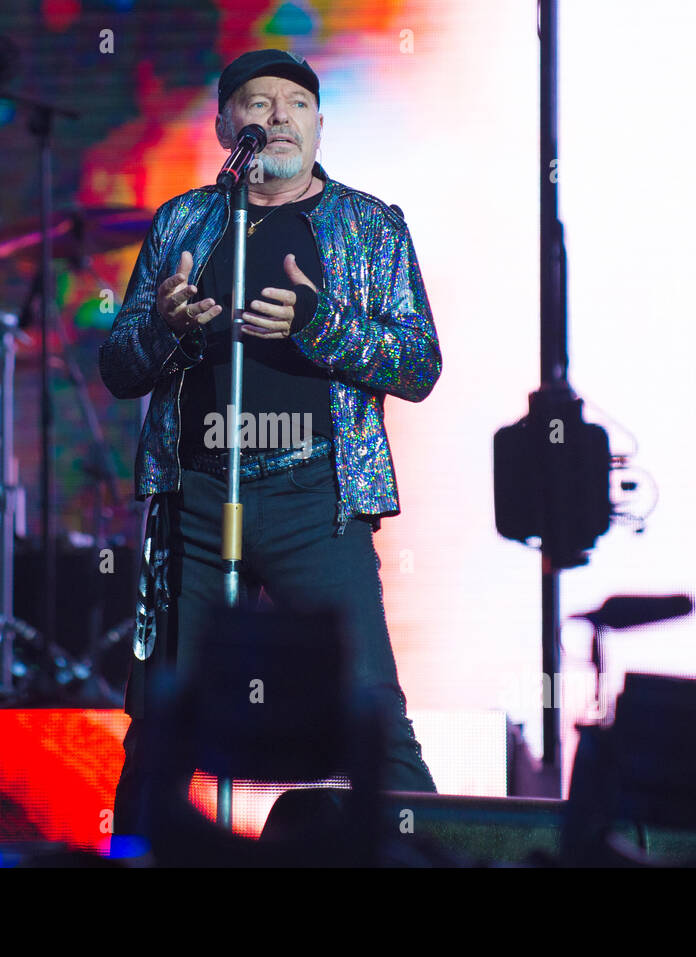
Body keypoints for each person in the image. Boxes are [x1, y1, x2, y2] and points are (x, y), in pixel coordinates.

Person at [99, 50, 443, 834]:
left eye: (296, 102)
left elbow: (419, 364)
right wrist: (167, 328)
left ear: (320, 125)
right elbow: (119, 366)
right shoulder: (184, 221)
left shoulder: (371, 226)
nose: (278, 115)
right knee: (160, 726)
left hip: (314, 497)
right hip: (193, 495)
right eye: (258, 102)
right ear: (226, 126)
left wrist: (318, 326)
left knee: (374, 716)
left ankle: (422, 854)